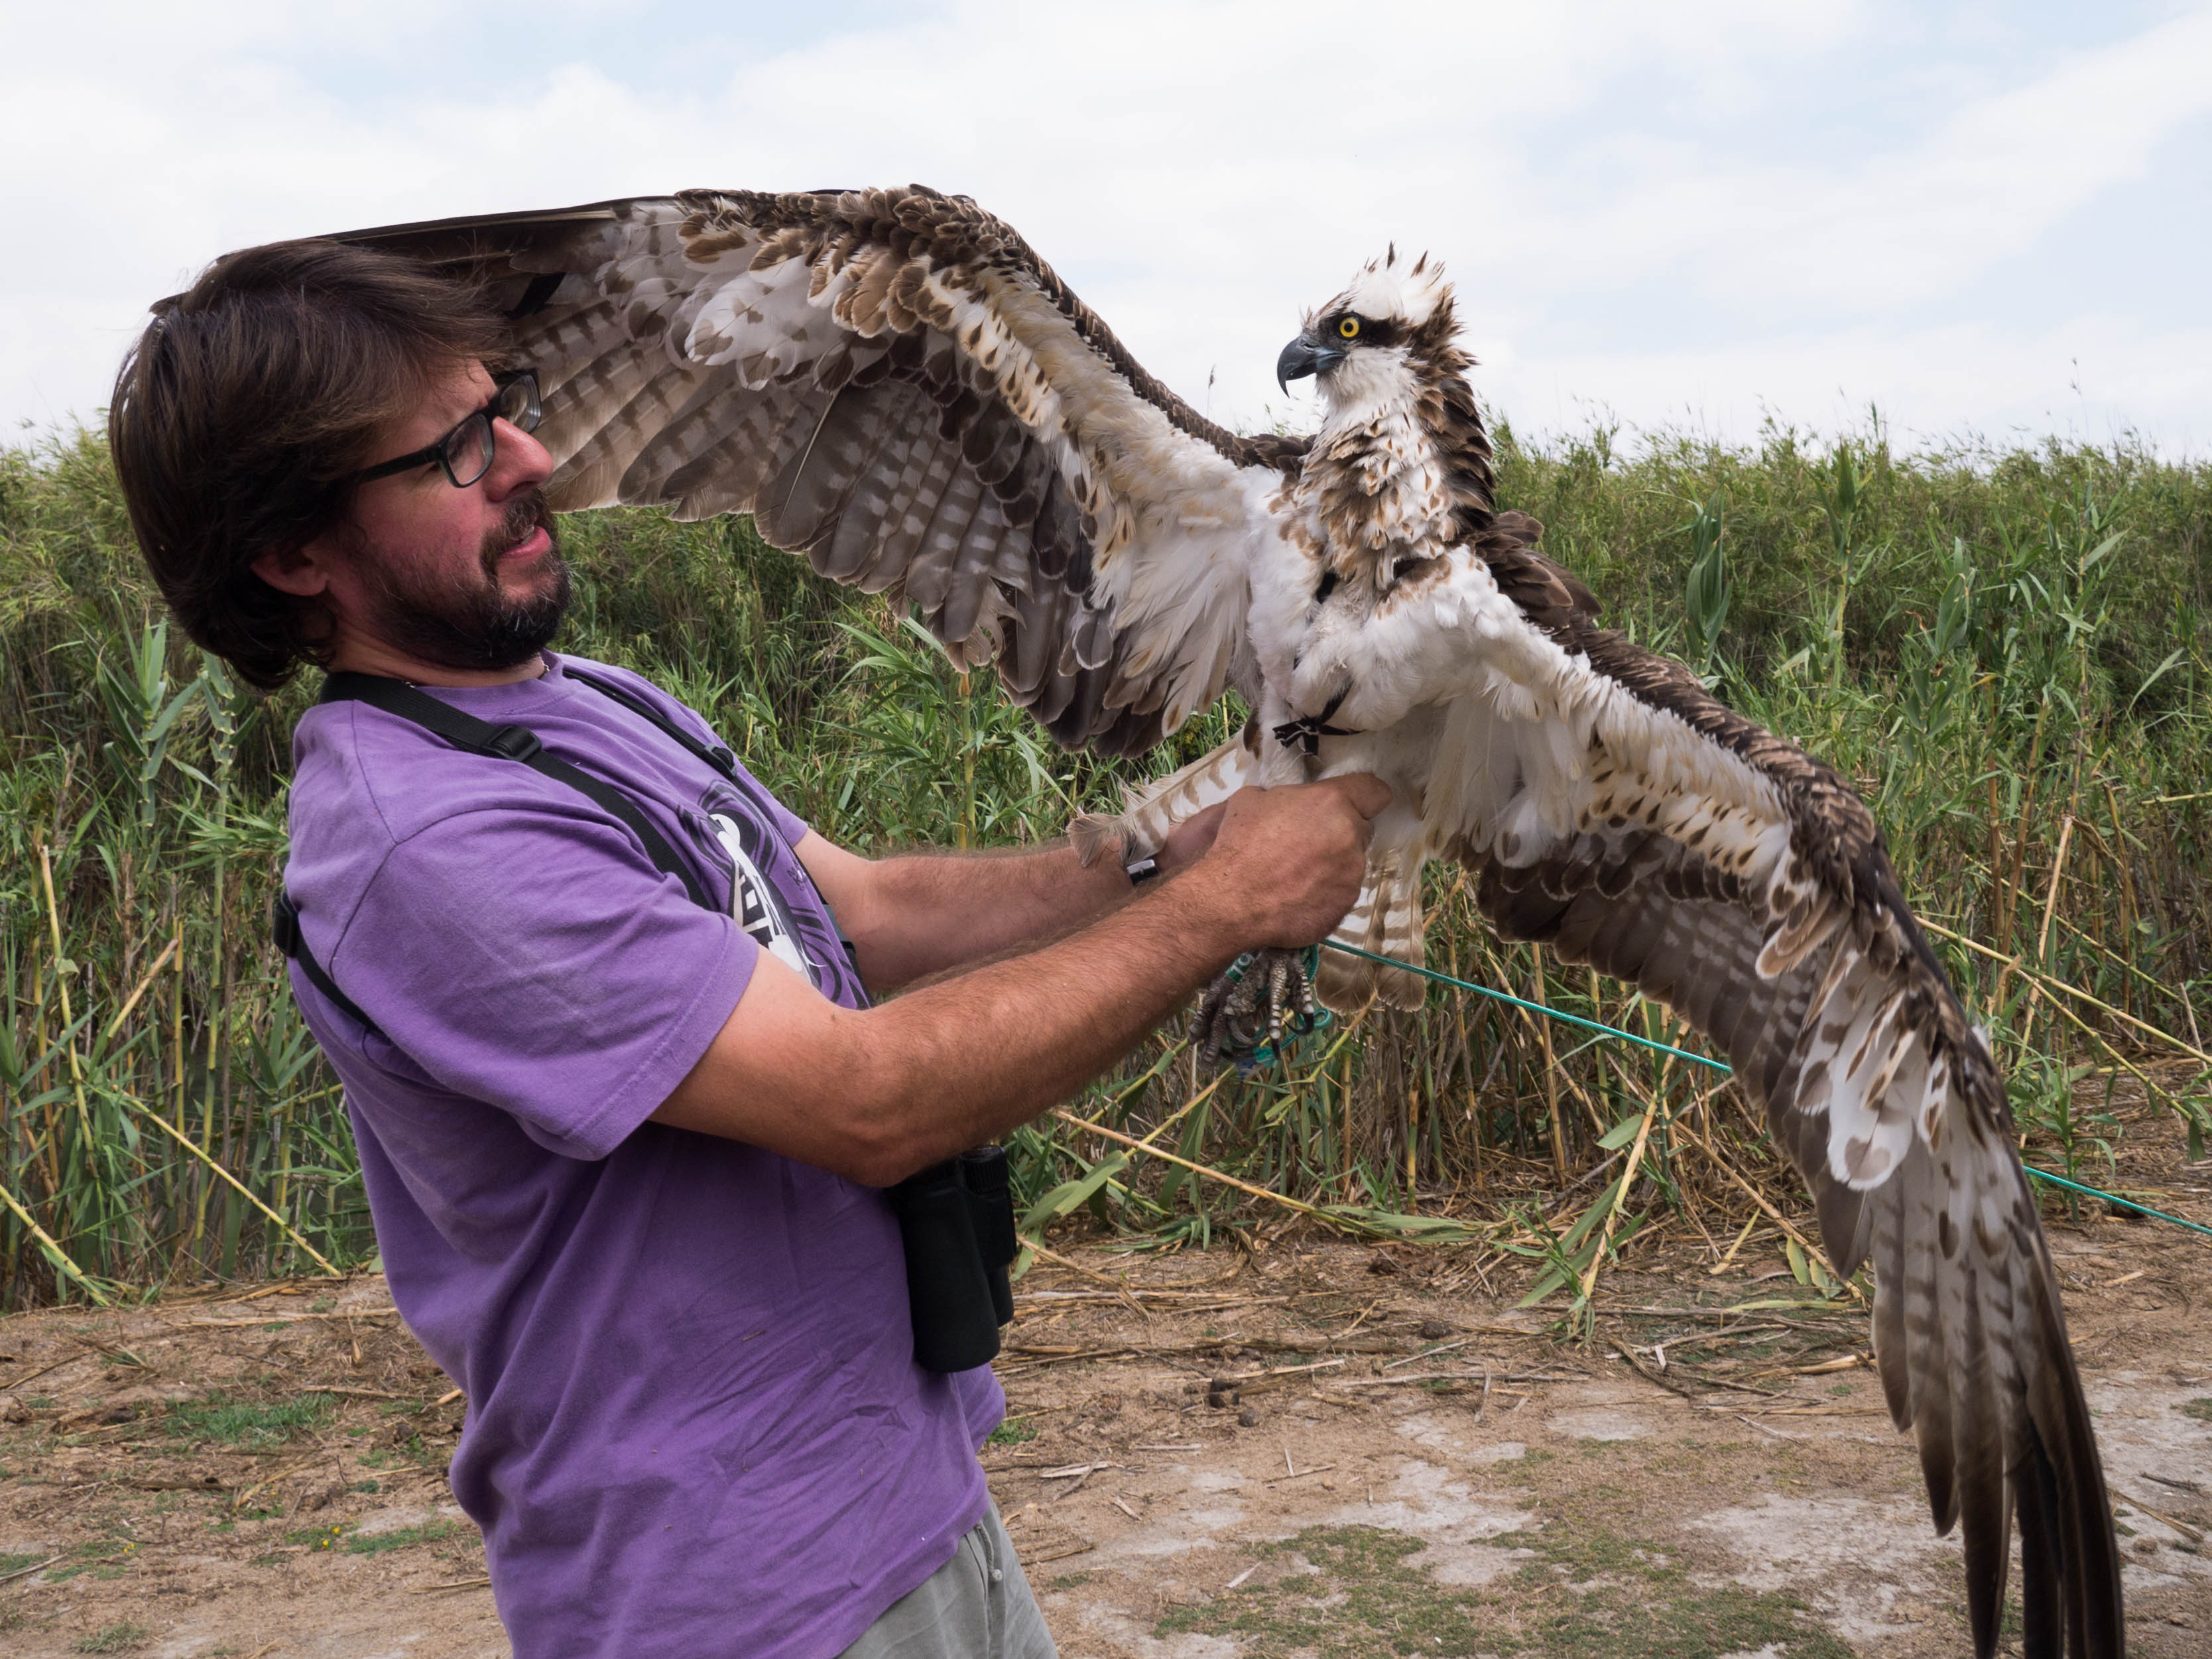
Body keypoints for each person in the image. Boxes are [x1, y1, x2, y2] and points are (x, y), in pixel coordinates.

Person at [107, 239, 1386, 1659]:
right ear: (291, 553)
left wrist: (1160, 859)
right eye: (457, 451)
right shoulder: (423, 844)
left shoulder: (574, 700)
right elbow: (868, 1101)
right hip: (731, 1585)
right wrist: (1217, 916)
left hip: (910, 1498)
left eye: (509, 400)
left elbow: (858, 912)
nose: (531, 454)